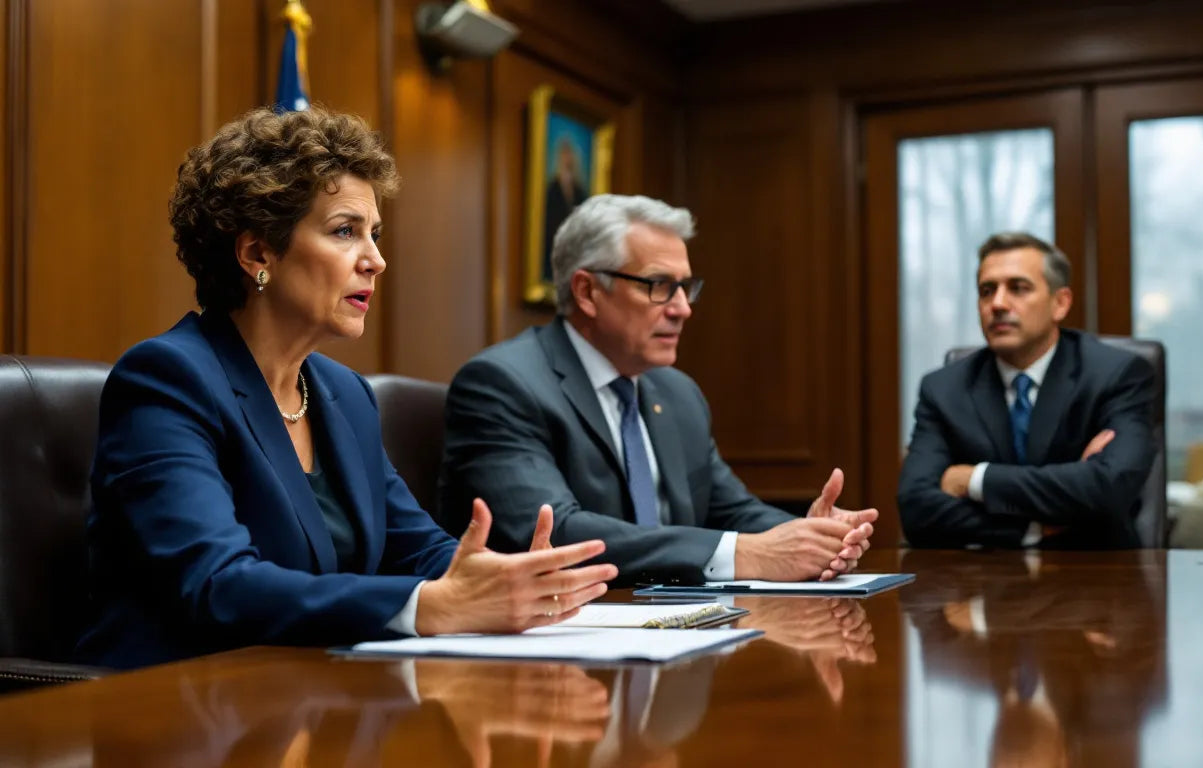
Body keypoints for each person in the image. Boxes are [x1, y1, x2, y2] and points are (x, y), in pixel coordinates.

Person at [78, 107, 616, 669]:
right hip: (175, 700)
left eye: (374, 235)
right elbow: (217, 584)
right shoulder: (168, 379)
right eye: (345, 232)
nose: (376, 261)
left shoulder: (344, 393)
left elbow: (416, 549)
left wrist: (500, 576)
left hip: (310, 690)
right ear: (257, 253)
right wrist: (430, 606)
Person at [438, 194, 877, 585]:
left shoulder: (677, 392)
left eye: (685, 287)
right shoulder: (503, 385)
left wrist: (814, 536)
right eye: (660, 286)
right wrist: (747, 553)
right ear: (588, 291)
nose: (683, 308)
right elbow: (554, 535)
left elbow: (731, 511)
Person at [897, 232, 1157, 549]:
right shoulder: (944, 388)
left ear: (1060, 303)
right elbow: (916, 509)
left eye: (1018, 288)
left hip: (1098, 568)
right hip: (982, 572)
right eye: (987, 291)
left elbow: (1110, 488)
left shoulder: (1116, 375)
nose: (998, 304)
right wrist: (1035, 526)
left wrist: (975, 479)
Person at [543, 138, 588, 282]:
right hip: (553, 250)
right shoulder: (552, 189)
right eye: (564, 154)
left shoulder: (579, 191)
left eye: (569, 154)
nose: (567, 158)